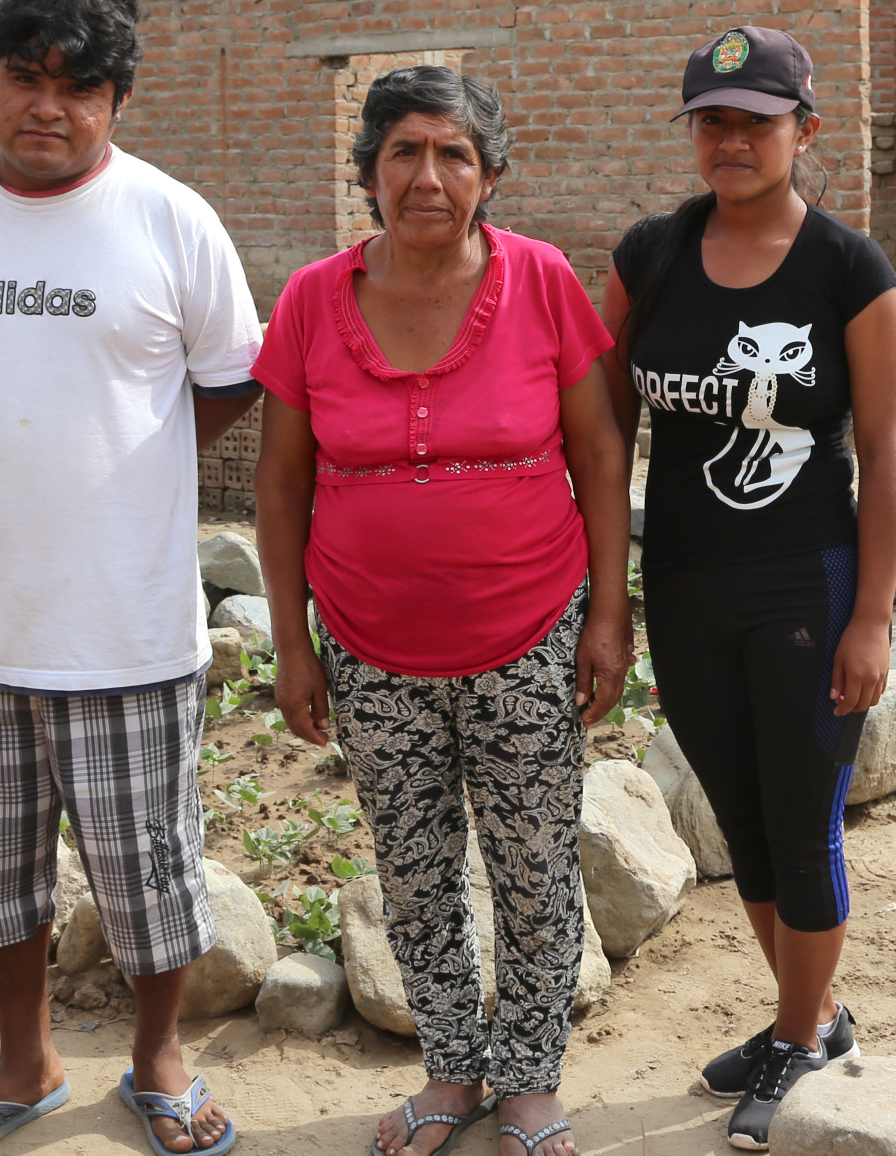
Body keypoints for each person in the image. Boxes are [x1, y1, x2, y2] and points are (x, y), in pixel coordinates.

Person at [0, 0, 263, 1156]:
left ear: (118, 100)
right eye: (25, 78)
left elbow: (232, 380)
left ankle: (158, 1062)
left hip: (128, 625)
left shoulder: (171, 220)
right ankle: (23, 1063)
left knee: (150, 875)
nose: (48, 107)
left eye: (78, 86)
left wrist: (130, 467)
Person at [252, 66, 633, 1156]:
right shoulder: (313, 299)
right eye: (404, 153)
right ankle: (451, 1072)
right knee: (414, 873)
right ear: (368, 174)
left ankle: (531, 1081)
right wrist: (292, 643)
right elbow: (281, 483)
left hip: (531, 632)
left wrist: (610, 614)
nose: (429, 176)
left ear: (489, 174)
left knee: (533, 862)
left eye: (454, 154)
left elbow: (601, 449)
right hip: (369, 649)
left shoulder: (544, 279)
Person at [596, 26, 896, 1151]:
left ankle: (795, 1033)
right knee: (741, 819)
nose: (730, 140)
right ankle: (811, 1019)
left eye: (755, 121)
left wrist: (871, 616)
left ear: (802, 132)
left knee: (803, 819)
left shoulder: (849, 271)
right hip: (684, 583)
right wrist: (609, 594)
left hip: (806, 584)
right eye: (712, 120)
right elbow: (604, 427)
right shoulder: (651, 258)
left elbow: (883, 456)